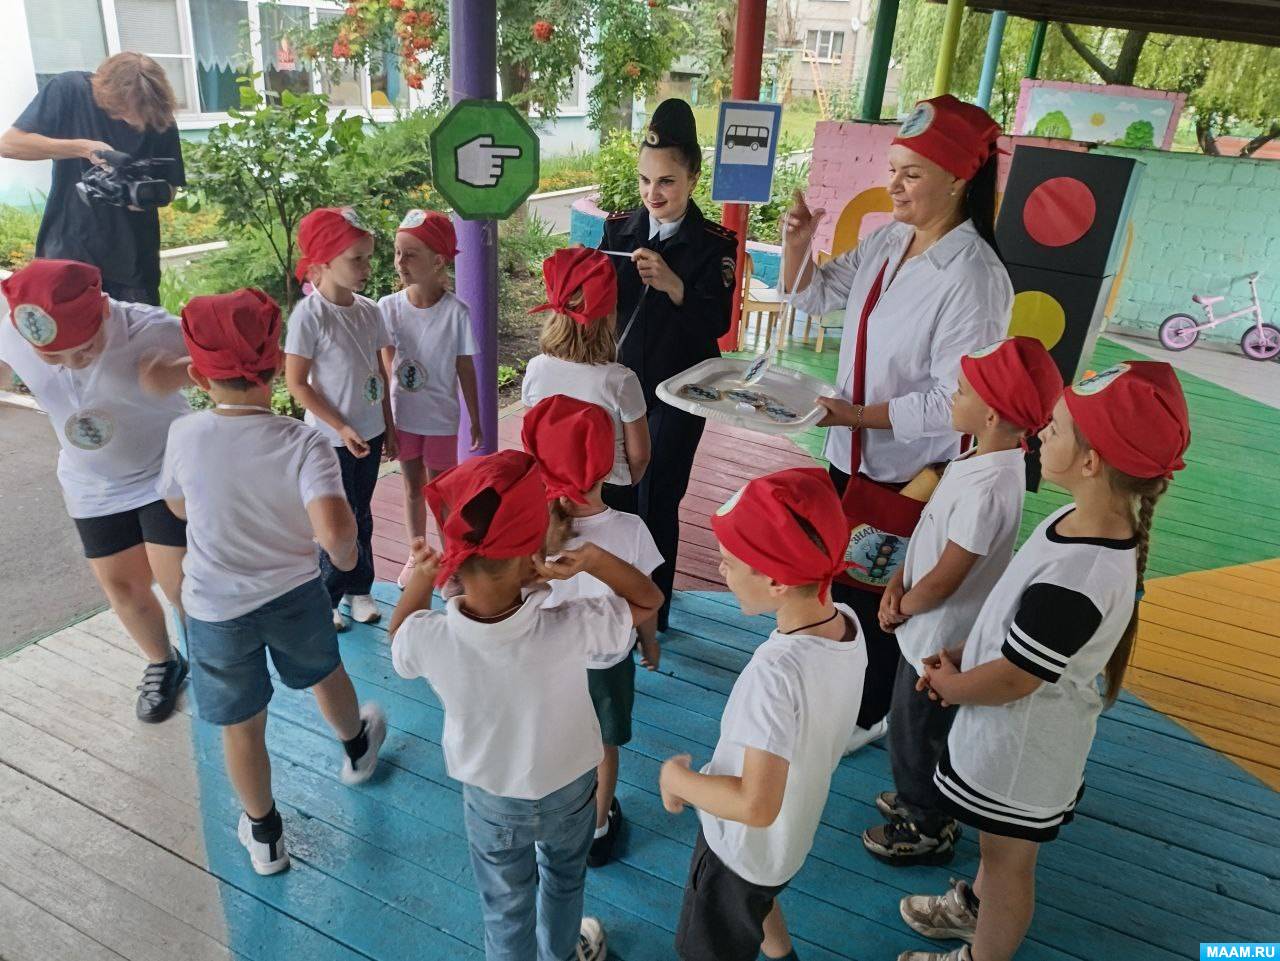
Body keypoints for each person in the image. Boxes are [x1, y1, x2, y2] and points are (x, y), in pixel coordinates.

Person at [898, 361, 1189, 961]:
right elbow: (1015, 624)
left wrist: (953, 685)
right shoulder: (1074, 522)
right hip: (1012, 736)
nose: (1041, 434)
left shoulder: (1079, 576)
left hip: (1020, 752)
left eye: (1054, 428)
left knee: (1008, 863)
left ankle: (982, 953)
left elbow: (1015, 677)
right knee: (996, 849)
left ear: (1091, 462)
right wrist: (965, 652)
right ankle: (974, 911)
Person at [780, 94, 1013, 754]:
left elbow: (952, 400)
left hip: (909, 471)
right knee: (840, 578)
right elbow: (811, 294)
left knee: (881, 594)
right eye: (894, 170)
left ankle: (869, 713)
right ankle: (840, 692)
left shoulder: (973, 277)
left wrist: (856, 413)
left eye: (912, 173)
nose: (895, 185)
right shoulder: (889, 241)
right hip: (849, 452)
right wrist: (797, 243)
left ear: (958, 180)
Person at [388, 449, 663, 961]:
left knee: (504, 906)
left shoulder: (434, 638)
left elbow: (399, 634)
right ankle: (559, 954)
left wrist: (423, 579)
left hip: (491, 799)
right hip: (569, 790)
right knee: (563, 880)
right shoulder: (572, 625)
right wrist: (595, 560)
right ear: (529, 557)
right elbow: (649, 600)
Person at [160, 288, 387, 876]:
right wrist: (344, 559)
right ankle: (357, 748)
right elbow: (335, 532)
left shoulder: (185, 434)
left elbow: (177, 507)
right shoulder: (304, 441)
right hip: (293, 593)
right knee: (324, 672)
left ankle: (265, 837)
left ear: (198, 375)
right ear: (276, 363)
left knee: (243, 727)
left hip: (214, 609)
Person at [864, 337, 1062, 867]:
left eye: (963, 390)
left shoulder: (989, 488)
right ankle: (923, 797)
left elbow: (949, 576)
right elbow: (930, 534)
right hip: (922, 620)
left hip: (938, 633)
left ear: (992, 415)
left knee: (917, 733)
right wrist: (898, 580)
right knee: (912, 726)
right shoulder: (981, 457)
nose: (953, 396)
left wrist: (902, 605)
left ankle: (925, 823)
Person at [659, 468, 866, 961]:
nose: (721, 569)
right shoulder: (847, 625)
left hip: (740, 849)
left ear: (775, 581)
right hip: (789, 835)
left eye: (730, 563)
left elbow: (755, 806)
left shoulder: (776, 674)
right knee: (758, 899)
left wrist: (677, 779)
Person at [0, 259, 190, 721]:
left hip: (166, 472)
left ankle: (219, 657)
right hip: (92, 482)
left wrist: (181, 372)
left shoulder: (150, 328)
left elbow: (241, 363)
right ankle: (164, 662)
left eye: (83, 350)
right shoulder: (13, 326)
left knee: (182, 584)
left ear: (103, 309)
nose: (71, 363)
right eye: (53, 357)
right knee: (122, 586)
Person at [600, 97, 737, 631]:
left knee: (658, 495)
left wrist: (675, 284)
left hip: (681, 391)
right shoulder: (619, 230)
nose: (652, 194)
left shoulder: (714, 244)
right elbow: (600, 306)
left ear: (693, 177)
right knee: (615, 490)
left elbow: (716, 322)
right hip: (621, 385)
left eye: (666, 182)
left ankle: (653, 612)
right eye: (644, 180)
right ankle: (614, 600)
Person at [522, 394, 663, 869]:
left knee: (551, 744)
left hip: (545, 663)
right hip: (607, 666)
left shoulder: (531, 533)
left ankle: (547, 829)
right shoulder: (632, 530)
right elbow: (644, 601)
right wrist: (649, 642)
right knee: (603, 748)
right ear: (608, 465)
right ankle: (599, 830)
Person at [284, 206, 397, 630]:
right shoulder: (309, 316)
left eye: (368, 257)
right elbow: (298, 383)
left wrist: (390, 425)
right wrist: (342, 427)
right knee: (338, 521)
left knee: (362, 513)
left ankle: (359, 588)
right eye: (356, 259)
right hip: (331, 440)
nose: (367, 267)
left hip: (370, 432)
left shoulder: (369, 310)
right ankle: (327, 597)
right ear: (322, 263)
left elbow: (379, 372)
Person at [0, 53, 186, 305]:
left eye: (142, 114)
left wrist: (142, 198)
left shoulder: (158, 115)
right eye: (127, 111)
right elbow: (9, 145)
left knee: (136, 330)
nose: (136, 120)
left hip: (134, 262)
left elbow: (170, 186)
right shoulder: (70, 90)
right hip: (69, 252)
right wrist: (83, 148)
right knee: (67, 328)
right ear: (109, 96)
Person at [378, 208, 481, 589]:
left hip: (441, 419)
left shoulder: (456, 312)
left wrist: (476, 418)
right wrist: (388, 422)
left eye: (410, 254)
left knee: (442, 494)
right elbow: (385, 366)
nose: (399, 262)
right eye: (397, 252)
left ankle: (452, 559)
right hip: (404, 417)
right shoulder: (388, 308)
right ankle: (417, 554)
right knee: (411, 488)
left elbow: (465, 368)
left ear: (438, 261)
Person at [522, 246, 651, 499]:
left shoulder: (535, 368)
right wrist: (622, 488)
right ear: (610, 314)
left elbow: (531, 437)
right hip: (608, 490)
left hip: (551, 488)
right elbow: (640, 457)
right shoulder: (621, 380)